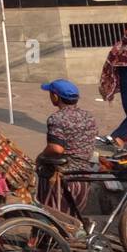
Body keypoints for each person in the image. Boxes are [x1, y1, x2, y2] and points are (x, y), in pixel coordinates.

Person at [37, 79, 97, 216]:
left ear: (55, 96)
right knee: (72, 220)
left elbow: (56, 149)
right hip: (83, 179)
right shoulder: (89, 117)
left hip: (62, 181)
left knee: (53, 221)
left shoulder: (56, 118)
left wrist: (41, 157)